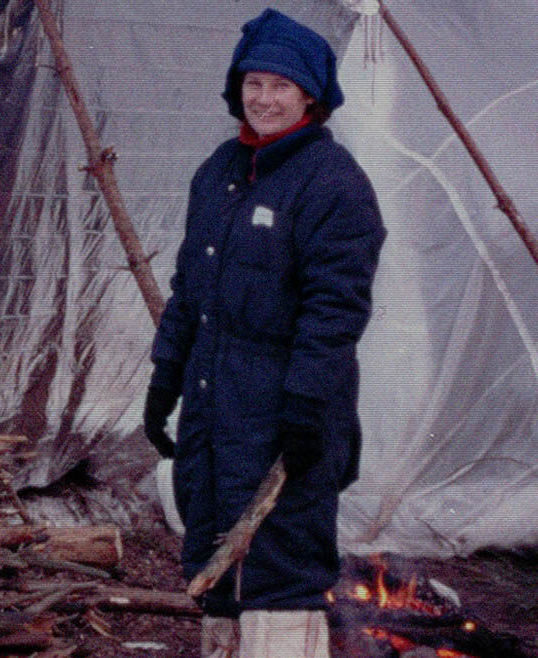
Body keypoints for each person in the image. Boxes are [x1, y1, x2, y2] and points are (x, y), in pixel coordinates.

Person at [142, 8, 386, 658]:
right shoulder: (219, 171)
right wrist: (165, 383)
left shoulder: (334, 186)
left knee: (278, 568)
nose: (264, 99)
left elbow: (335, 313)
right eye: (254, 83)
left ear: (310, 94)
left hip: (285, 420)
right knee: (215, 559)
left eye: (282, 86)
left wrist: (307, 407)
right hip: (213, 409)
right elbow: (189, 292)